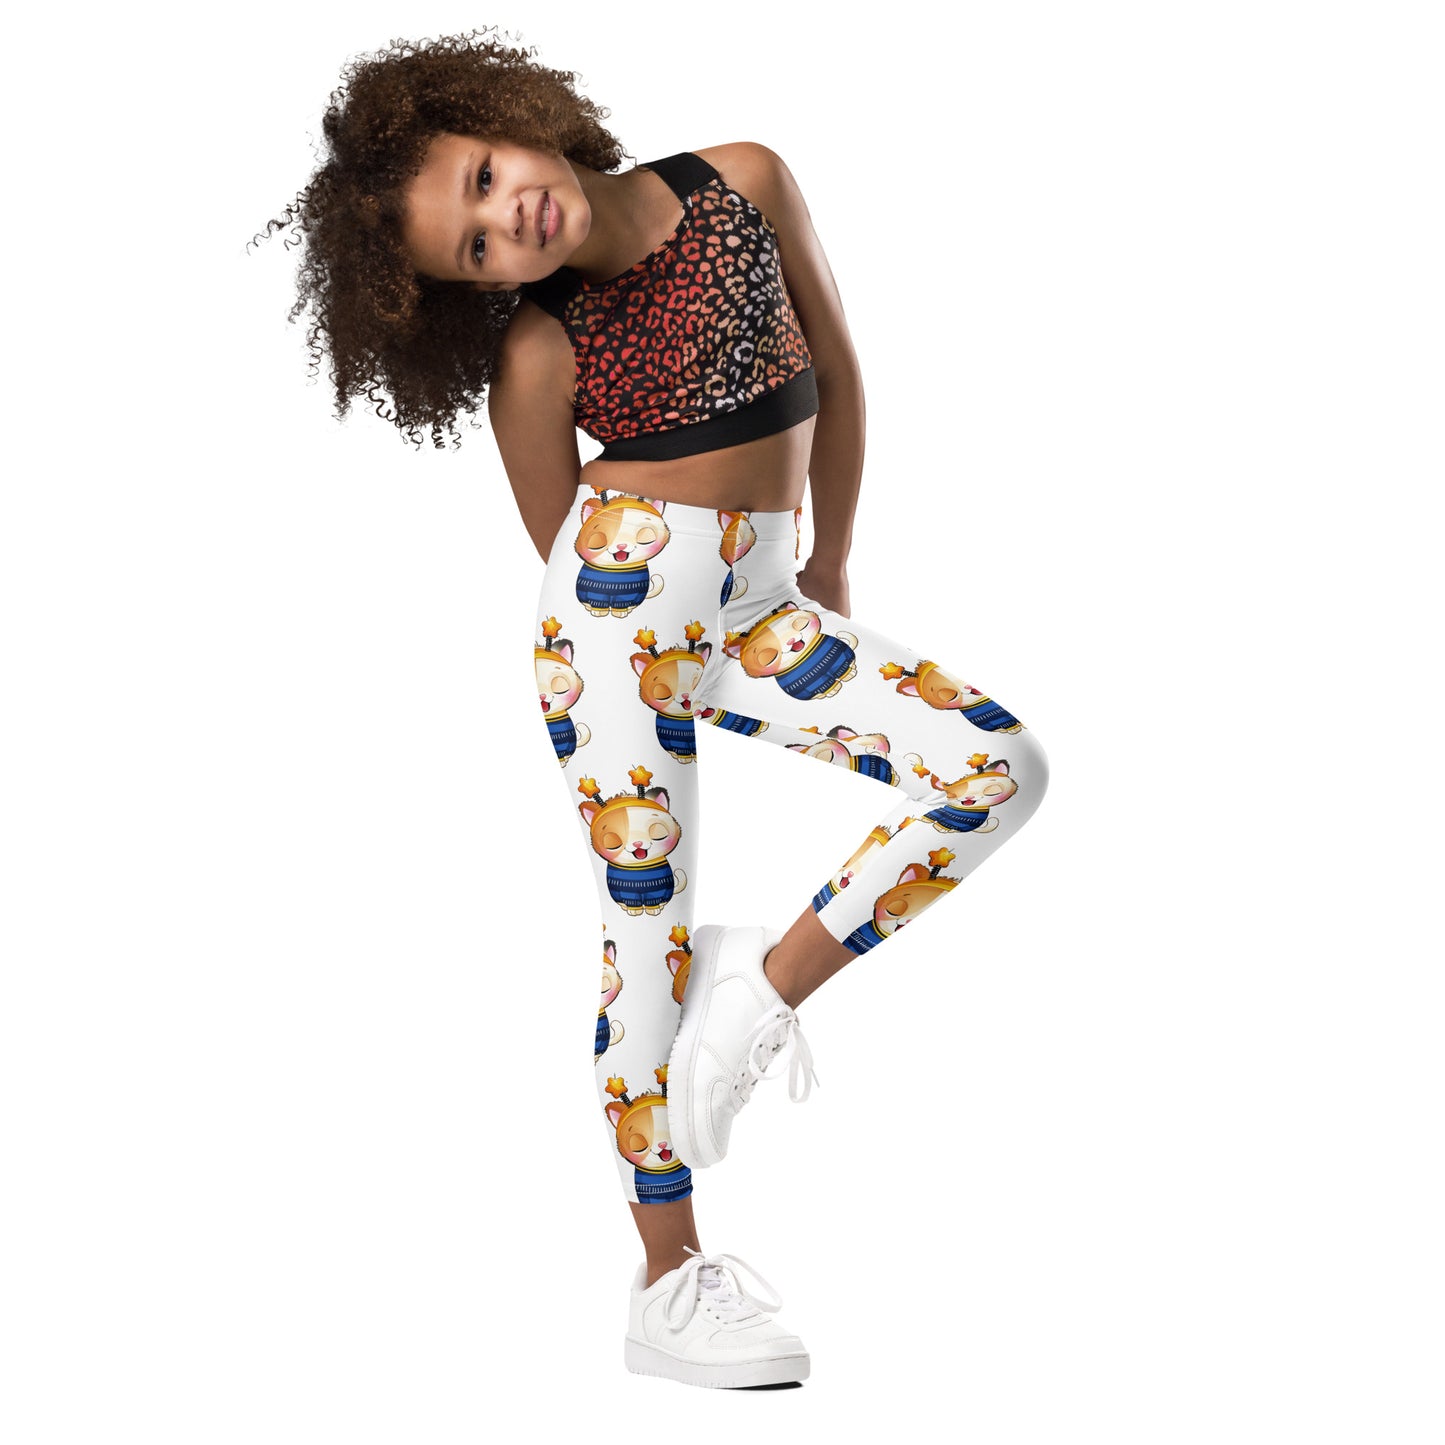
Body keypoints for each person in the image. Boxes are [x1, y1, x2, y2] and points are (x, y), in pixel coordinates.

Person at [258, 27, 1050, 1390]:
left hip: (765, 594)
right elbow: (557, 545)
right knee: (643, 936)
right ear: (476, 291)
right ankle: (670, 1279)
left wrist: (830, 566)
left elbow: (837, 374)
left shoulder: (743, 178)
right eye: (475, 250)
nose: (507, 222)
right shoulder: (539, 350)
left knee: (998, 768)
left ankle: (763, 986)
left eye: (486, 177)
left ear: (513, 115)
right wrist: (643, 641)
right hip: (619, 623)